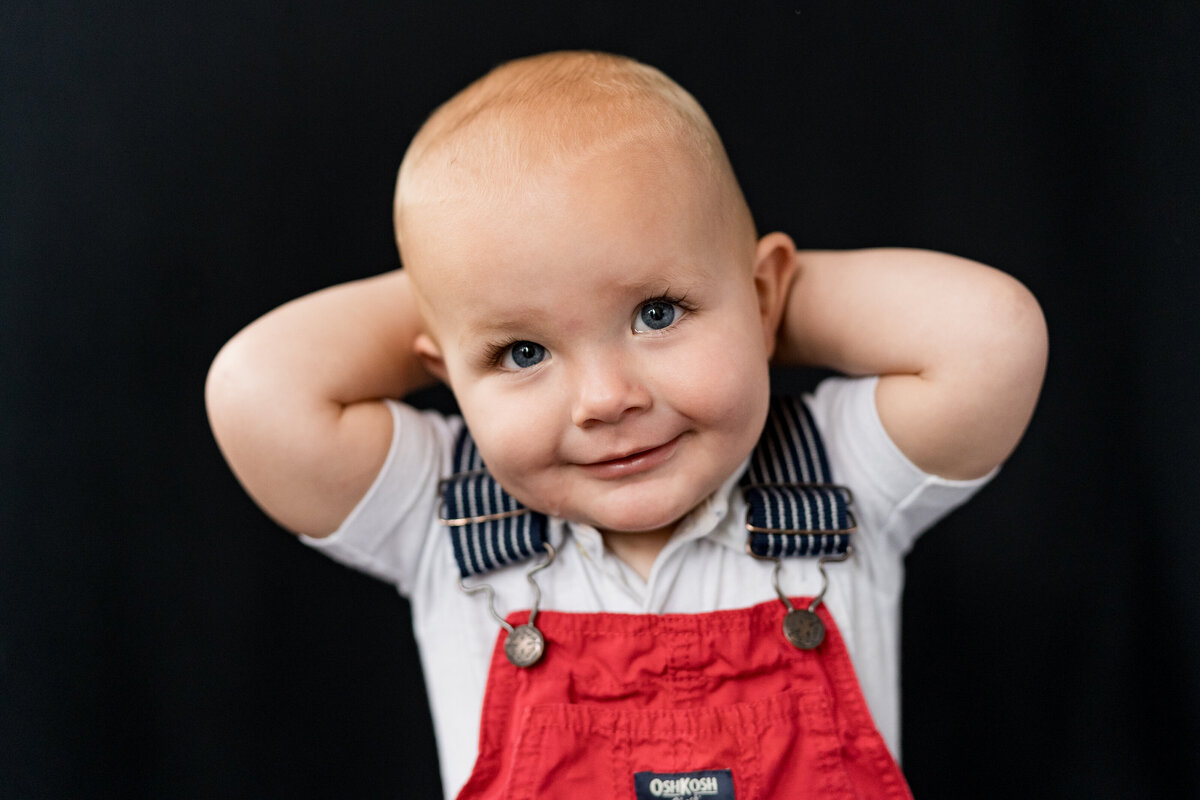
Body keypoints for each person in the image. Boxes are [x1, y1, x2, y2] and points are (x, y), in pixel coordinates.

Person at [206, 51, 1047, 799]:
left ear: (762, 298)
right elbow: (257, 389)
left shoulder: (841, 479)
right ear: (450, 376)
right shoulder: (442, 516)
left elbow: (991, 336)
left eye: (657, 312)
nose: (605, 398)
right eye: (524, 351)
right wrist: (465, 277)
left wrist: (720, 293)